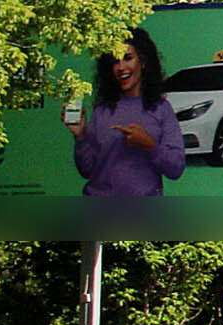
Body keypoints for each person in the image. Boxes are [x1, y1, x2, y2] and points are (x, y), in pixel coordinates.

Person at [69, 30, 186, 199]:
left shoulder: (161, 109)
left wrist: (149, 145)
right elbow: (87, 170)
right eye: (115, 61)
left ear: (143, 61)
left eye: (127, 58)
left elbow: (176, 169)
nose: (121, 67)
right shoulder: (102, 110)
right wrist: (80, 137)